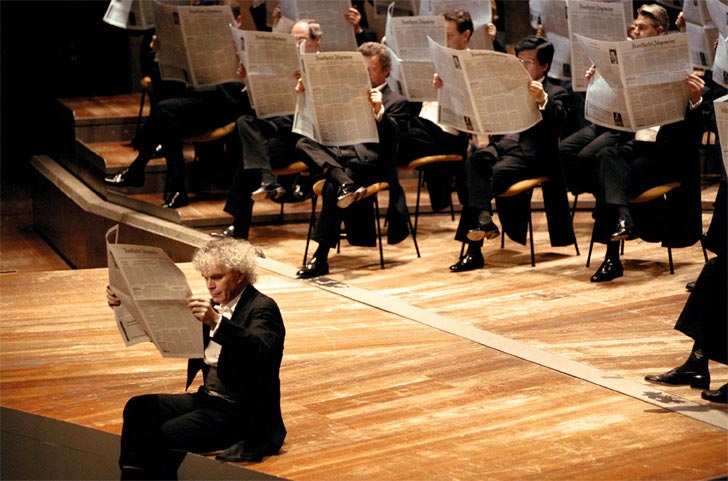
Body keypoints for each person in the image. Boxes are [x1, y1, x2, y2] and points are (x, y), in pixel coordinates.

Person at [110, 238, 286, 479]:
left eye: (217, 277)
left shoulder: (263, 307)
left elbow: (261, 351)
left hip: (241, 411)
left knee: (165, 434)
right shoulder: (213, 306)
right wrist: (124, 303)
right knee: (139, 408)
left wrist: (217, 322)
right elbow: (166, 331)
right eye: (205, 278)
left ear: (239, 275)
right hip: (208, 399)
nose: (210, 286)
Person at [588, 5, 706, 282]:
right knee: (605, 157)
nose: (635, 31)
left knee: (611, 179)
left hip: (667, 154)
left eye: (642, 27)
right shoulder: (628, 65)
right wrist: (598, 85)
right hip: (637, 143)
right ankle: (623, 219)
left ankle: (612, 256)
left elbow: (694, 131)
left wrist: (695, 100)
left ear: (659, 31)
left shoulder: (679, 63)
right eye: (635, 26)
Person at [105, 4, 253, 209]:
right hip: (201, 103)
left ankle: (138, 169)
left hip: (228, 106)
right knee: (168, 122)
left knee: (164, 112)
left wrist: (242, 69)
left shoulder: (245, 44)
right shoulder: (202, 43)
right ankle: (176, 191)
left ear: (238, 20)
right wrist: (160, 52)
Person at [450, 35, 574, 272]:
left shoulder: (556, 92)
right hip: (501, 146)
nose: (521, 66)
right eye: (518, 61)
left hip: (530, 155)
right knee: (474, 162)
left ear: (544, 66)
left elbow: (560, 121)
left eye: (528, 62)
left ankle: (474, 250)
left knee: (483, 180)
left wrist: (542, 100)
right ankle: (484, 219)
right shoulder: (506, 88)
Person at [295, 41, 411, 278]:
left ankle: (320, 257)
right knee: (302, 143)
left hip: (371, 163)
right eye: (361, 69)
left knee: (333, 185)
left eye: (371, 69)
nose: (366, 75)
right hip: (340, 156)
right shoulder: (342, 95)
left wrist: (379, 111)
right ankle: (345, 183)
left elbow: (395, 143)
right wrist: (305, 95)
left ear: (386, 71)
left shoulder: (396, 101)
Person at [216, 19, 323, 240]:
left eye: (302, 40)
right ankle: (267, 179)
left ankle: (240, 228)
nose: (296, 45)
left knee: (251, 159)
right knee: (244, 121)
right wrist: (248, 81)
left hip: (301, 137)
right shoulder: (279, 66)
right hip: (275, 128)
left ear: (316, 40)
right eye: (293, 40)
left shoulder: (323, 67)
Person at [395, 10, 474, 214]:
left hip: (450, 134)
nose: (444, 41)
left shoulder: (472, 63)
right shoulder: (435, 57)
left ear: (465, 35)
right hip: (425, 130)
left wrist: (449, 88)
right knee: (398, 125)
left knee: (403, 131)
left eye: (449, 35)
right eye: (441, 35)